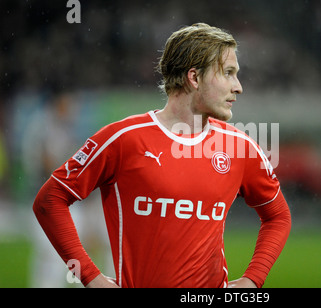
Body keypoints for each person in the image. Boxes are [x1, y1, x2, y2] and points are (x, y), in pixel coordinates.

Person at [33, 23, 291, 288]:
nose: (238, 87)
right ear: (194, 77)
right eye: (228, 73)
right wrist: (91, 278)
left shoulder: (240, 147)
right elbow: (49, 200)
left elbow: (278, 216)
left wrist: (252, 280)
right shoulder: (125, 139)